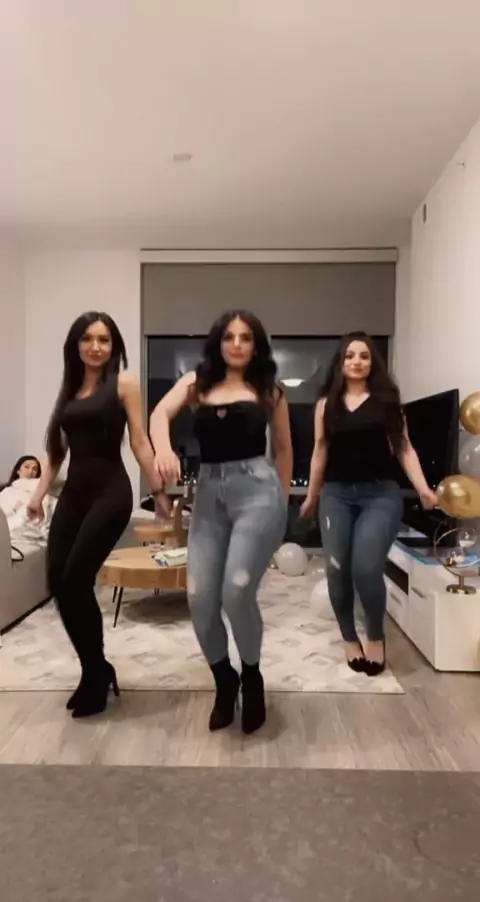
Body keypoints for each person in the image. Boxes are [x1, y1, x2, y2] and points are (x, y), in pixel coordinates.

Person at [150, 310, 292, 734]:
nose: (237, 344)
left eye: (246, 337)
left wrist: (282, 502)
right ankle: (224, 681)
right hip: (209, 497)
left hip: (258, 493)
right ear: (218, 342)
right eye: (229, 337)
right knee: (199, 598)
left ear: (256, 344)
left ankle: (252, 677)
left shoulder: (269, 389)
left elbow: (284, 449)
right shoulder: (197, 383)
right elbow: (159, 415)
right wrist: (163, 450)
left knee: (237, 590)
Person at [27, 312, 168, 718]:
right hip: (74, 495)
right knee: (58, 580)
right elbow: (57, 452)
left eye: (104, 339)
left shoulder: (124, 383)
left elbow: (139, 441)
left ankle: (94, 675)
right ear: (76, 345)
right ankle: (97, 668)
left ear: (114, 346)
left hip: (110, 493)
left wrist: (158, 491)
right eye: (88, 339)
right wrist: (37, 495)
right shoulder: (70, 390)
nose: (96, 346)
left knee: (76, 578)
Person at [300, 332, 437, 676]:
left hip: (380, 495)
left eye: (364, 356)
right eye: (350, 355)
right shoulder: (326, 405)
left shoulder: (388, 403)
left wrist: (423, 489)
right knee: (337, 569)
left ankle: (375, 636)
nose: (356, 361)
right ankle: (349, 638)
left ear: (373, 362)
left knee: (365, 568)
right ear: (340, 362)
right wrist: (312, 495)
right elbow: (320, 451)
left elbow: (404, 448)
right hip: (336, 495)